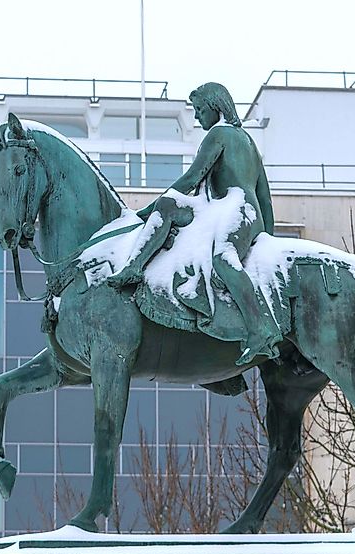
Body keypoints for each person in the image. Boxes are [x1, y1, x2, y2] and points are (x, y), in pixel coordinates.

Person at [108, 82, 279, 365]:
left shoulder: (219, 134)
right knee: (168, 206)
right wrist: (268, 233)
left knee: (223, 259)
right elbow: (267, 199)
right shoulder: (250, 142)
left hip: (236, 210)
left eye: (200, 110)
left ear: (215, 107)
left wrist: (144, 212)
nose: (197, 117)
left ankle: (260, 328)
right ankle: (133, 268)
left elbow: (191, 180)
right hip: (226, 210)